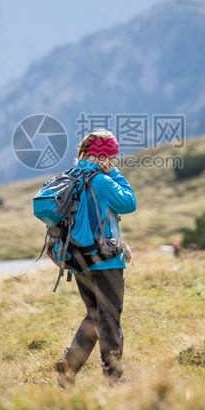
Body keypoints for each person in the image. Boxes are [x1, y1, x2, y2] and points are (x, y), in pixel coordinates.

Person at [56, 130, 137, 387]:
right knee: (110, 318)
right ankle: (114, 378)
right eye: (112, 156)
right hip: (106, 260)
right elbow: (129, 203)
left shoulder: (71, 178)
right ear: (103, 156)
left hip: (79, 262)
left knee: (94, 315)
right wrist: (113, 174)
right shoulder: (102, 181)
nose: (114, 161)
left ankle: (68, 367)